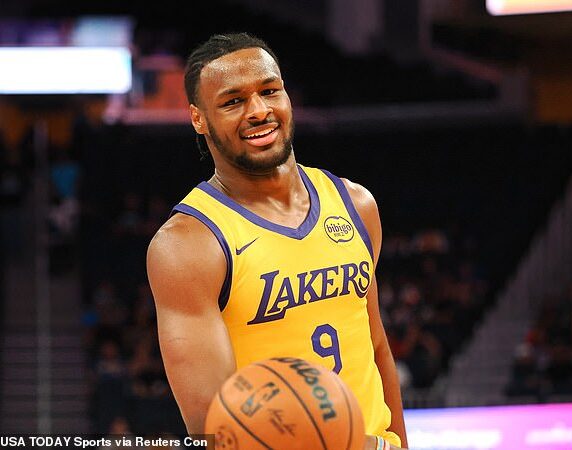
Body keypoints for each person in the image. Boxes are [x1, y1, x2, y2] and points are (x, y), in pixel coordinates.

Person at [147, 32, 408, 449]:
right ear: (198, 118)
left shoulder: (356, 204)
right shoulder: (188, 244)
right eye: (233, 101)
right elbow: (213, 427)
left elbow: (377, 346)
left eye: (270, 91)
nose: (258, 111)